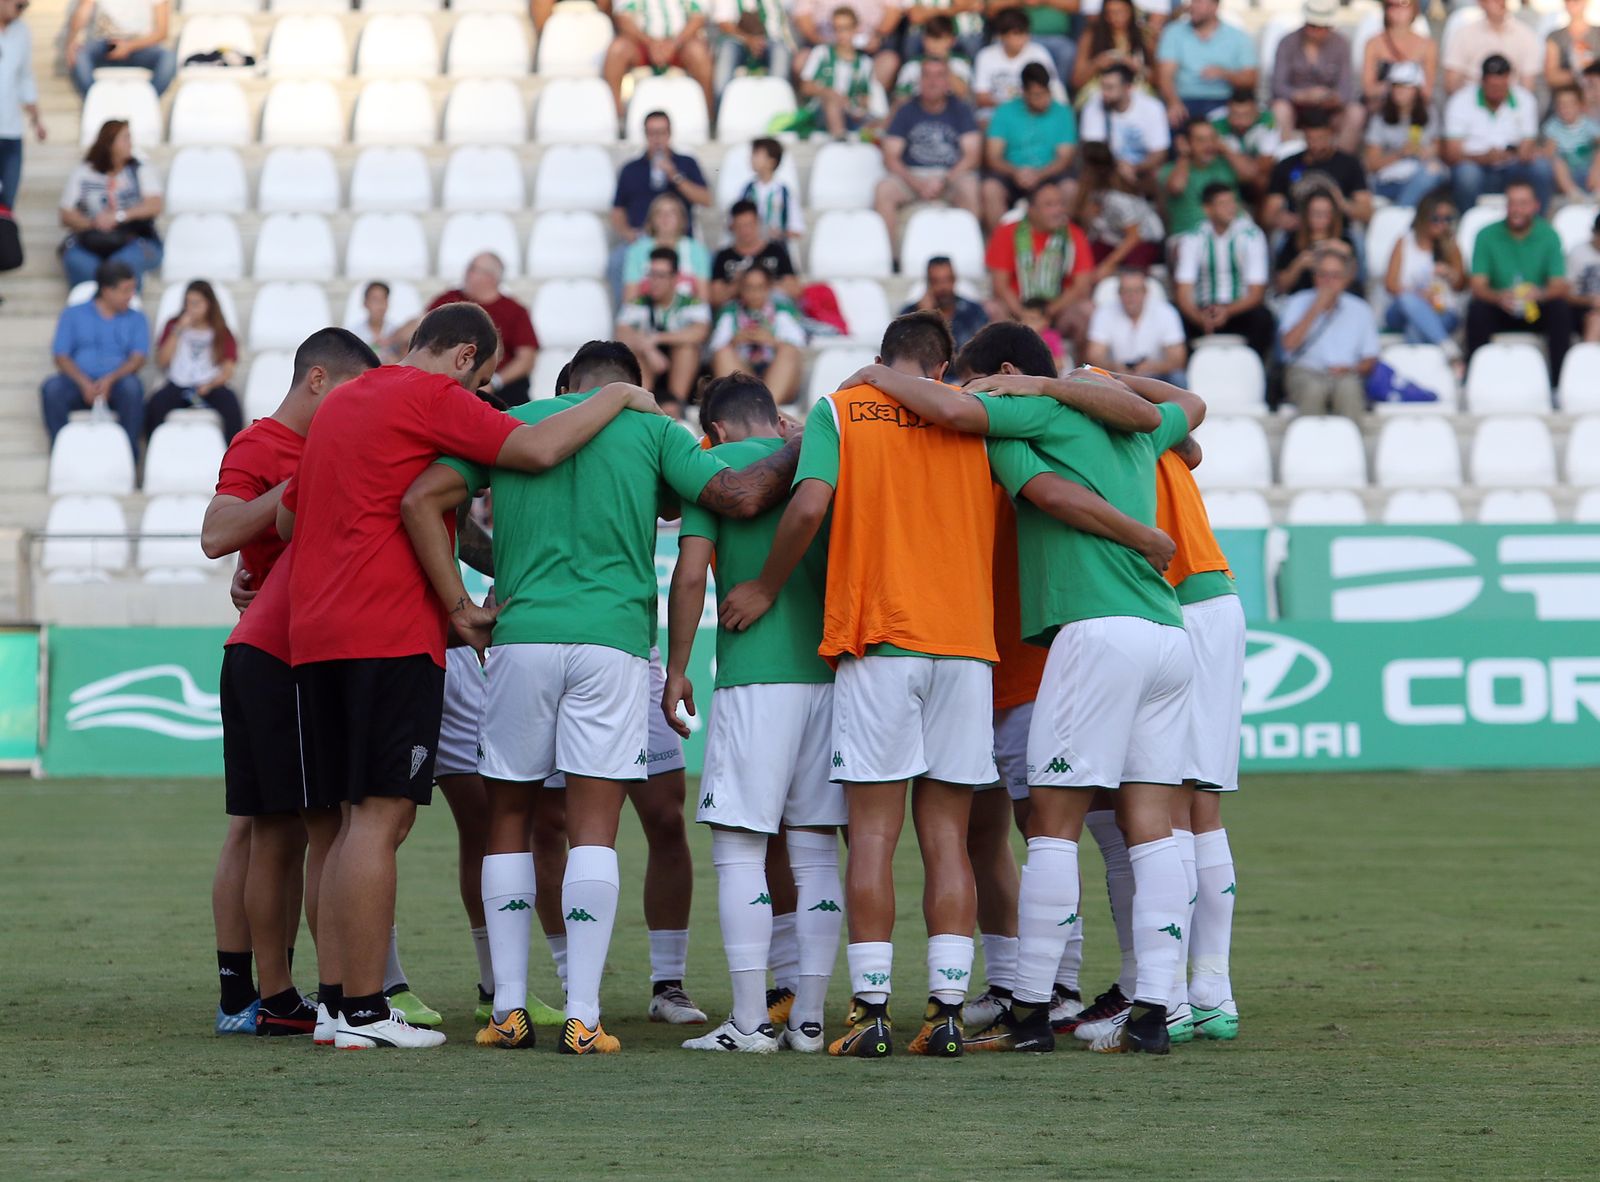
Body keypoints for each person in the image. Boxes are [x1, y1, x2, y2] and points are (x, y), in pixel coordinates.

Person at [281, 307, 669, 1052]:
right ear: (464, 358)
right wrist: (619, 396)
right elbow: (534, 446)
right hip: (384, 633)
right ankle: (367, 1011)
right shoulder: (431, 397)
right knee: (381, 817)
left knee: (335, 821)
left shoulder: (342, 403)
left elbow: (294, 517)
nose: (484, 393)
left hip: (315, 632)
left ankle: (335, 1004)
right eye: (485, 379)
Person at [400, 338, 800, 1055]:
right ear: (635, 388)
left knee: (510, 817)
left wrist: (460, 602)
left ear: (564, 387)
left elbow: (424, 499)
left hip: (518, 636)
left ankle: (510, 1011)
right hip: (613, 642)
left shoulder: (513, 422)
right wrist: (809, 441)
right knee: (594, 826)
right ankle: (584, 1016)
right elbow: (731, 497)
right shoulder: (650, 429)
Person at [830, 342, 1203, 1057]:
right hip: (1166, 633)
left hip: (1096, 631)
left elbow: (953, 413)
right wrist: (1101, 381)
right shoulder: (1134, 429)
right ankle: (1155, 1009)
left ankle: (1032, 1011)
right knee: (1152, 826)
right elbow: (1189, 406)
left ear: (1004, 374)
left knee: (1053, 829)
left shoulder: (1031, 415)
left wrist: (883, 374)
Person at [714, 314, 1001, 1060]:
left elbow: (807, 504)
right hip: (965, 643)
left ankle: (870, 1012)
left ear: (880, 359)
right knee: (948, 838)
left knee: (872, 834)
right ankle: (944, 1014)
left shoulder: (841, 408)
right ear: (944, 366)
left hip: (881, 640)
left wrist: (769, 586)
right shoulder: (977, 418)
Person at [202, 329, 382, 1039]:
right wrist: (293, 494)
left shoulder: (317, 444)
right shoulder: (264, 445)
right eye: (349, 391)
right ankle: (297, 995)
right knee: (304, 827)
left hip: (268, 644)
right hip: (279, 652)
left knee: (260, 826)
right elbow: (218, 532)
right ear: (316, 379)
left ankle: (248, 994)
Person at [664, 374, 844, 1053]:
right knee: (816, 851)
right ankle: (809, 1021)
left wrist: (678, 667)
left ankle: (747, 1023)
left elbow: (689, 574)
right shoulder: (821, 455)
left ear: (715, 431)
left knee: (740, 848)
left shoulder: (710, 469)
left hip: (753, 678)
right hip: (827, 677)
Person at [1154, 442, 1245, 1044]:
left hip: (1174, 600)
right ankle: (1213, 988)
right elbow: (1193, 444)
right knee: (1201, 803)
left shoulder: (1065, 413)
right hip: (1217, 593)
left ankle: (1173, 1000)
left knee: (1167, 803)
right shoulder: (1126, 401)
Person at [1465, 180, 1573, 389]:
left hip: (1535, 308)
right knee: (1477, 310)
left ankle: (1559, 384)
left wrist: (1539, 294)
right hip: (1500, 307)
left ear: (1536, 206)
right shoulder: (1486, 235)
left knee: (1559, 310)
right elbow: (1478, 285)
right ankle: (1474, 379)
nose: (1517, 209)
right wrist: (1499, 297)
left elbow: (1559, 285)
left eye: (1523, 203)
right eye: (1512, 203)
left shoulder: (1549, 235)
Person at [40, 259, 146, 455]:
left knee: (132, 388)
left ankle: (130, 456)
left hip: (117, 384)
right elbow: (61, 355)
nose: (131, 296)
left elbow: (138, 358)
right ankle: (60, 452)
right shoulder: (73, 314)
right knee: (52, 388)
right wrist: (84, 383)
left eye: (133, 290)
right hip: (78, 383)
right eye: (125, 290)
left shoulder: (136, 318)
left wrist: (110, 380)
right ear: (107, 290)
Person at [873, 58, 983, 243]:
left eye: (939, 76)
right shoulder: (905, 110)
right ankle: (890, 260)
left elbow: (972, 156)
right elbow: (891, 157)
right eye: (927, 75)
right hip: (913, 174)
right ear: (919, 81)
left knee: (970, 189)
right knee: (884, 190)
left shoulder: (961, 110)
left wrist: (945, 181)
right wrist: (916, 183)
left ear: (948, 81)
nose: (932, 82)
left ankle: (970, 252)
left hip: (951, 174)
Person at [611, 111, 713, 302]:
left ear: (670, 133)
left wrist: (675, 175)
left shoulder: (686, 163)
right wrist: (627, 232)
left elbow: (706, 199)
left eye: (661, 132)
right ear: (645, 134)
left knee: (709, 259)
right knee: (618, 260)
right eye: (652, 133)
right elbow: (617, 209)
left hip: (680, 239)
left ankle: (701, 323)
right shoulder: (631, 169)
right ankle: (626, 320)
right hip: (642, 240)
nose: (657, 139)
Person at [1173, 182, 1275, 363]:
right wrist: (1198, 317)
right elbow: (1183, 292)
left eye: (1232, 202)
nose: (1230, 208)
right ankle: (1186, 378)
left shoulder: (1251, 235)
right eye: (1223, 204)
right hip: (1203, 309)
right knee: (1174, 317)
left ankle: (1256, 371)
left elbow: (1257, 292)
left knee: (1263, 318)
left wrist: (1227, 311)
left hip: (1239, 310)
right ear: (1207, 209)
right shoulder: (1193, 237)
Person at [58, 119, 163, 289]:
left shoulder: (140, 170)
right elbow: (66, 214)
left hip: (135, 238)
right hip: (93, 239)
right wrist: (94, 223)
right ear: (109, 143)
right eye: (125, 138)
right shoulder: (84, 172)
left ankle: (126, 310)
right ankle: (90, 310)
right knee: (79, 261)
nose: (131, 143)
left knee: (120, 267)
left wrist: (119, 216)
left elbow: (155, 204)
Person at [1277, 243, 1380, 419]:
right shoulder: (1297, 302)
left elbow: (1370, 360)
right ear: (1314, 276)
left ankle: (1351, 444)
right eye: (1322, 275)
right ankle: (1308, 445)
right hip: (1305, 371)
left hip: (1346, 373)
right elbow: (1288, 345)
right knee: (1313, 390)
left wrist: (1350, 368)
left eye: (1335, 276)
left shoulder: (1360, 309)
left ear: (1346, 278)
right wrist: (1316, 308)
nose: (1328, 281)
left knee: (1348, 389)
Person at [420, 254, 538, 405]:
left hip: (500, 391)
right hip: (448, 385)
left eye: (473, 269)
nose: (466, 273)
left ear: (491, 277)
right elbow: (421, 329)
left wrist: (494, 382)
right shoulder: (449, 299)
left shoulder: (514, 311)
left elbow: (526, 358)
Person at [1441, 55, 1552, 213]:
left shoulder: (1525, 99)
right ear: (1482, 81)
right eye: (1492, 86)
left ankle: (1538, 224)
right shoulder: (1460, 100)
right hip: (1475, 166)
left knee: (1541, 167)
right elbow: (1451, 153)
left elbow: (1527, 145)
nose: (1497, 92)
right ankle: (1467, 223)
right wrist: (1484, 157)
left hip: (1512, 166)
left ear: (1509, 80)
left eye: (1502, 86)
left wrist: (1516, 153)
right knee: (1466, 174)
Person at [985, 181, 1093, 336]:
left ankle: (1083, 360)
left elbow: (1081, 286)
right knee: (992, 309)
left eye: (1060, 204)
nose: (1058, 211)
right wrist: (1024, 315)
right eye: (1049, 205)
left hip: (1059, 311)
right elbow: (1000, 286)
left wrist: (1048, 312)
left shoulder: (1074, 234)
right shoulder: (1007, 232)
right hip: (1016, 309)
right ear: (1031, 210)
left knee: (1086, 310)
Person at [981, 61, 1077, 231]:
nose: (1043, 100)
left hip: (1048, 174)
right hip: (1012, 174)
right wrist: (1016, 172)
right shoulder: (1005, 111)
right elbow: (993, 157)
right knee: (990, 188)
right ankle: (1001, 243)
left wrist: (1039, 174)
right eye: (1036, 95)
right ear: (1024, 93)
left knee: (1070, 188)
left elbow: (1064, 158)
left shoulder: (1062, 112)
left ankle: (1060, 241)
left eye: (1046, 93)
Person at [146, 278, 242, 443]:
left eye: (196, 303)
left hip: (210, 386)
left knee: (231, 406)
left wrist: (210, 385)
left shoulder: (221, 331)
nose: (191, 309)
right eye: (188, 303)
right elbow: (162, 361)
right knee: (155, 405)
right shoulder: (173, 325)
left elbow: (228, 369)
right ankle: (153, 448)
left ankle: (233, 454)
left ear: (209, 304)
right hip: (178, 384)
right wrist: (178, 331)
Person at [618, 246, 712, 412]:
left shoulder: (691, 303)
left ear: (675, 278)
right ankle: (641, 407)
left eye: (660, 275)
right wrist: (648, 348)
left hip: (685, 373)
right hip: (650, 367)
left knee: (686, 349)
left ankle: (677, 406)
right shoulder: (638, 303)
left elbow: (701, 332)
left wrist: (657, 338)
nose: (654, 281)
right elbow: (621, 333)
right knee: (637, 352)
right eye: (651, 274)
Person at [1264, 107, 1371, 238]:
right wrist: (1283, 219)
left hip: (1339, 233)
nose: (1316, 145)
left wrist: (1341, 203)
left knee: (1357, 236)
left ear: (1331, 134)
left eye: (1321, 138)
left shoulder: (1350, 165)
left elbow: (1366, 212)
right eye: (1310, 139)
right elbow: (1268, 215)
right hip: (1298, 234)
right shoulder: (1287, 165)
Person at [1270, 0, 1362, 153]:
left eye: (1321, 27)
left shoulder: (1341, 43)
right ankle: (1286, 160)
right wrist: (1302, 96)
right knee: (1280, 108)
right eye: (1312, 25)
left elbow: (1347, 89)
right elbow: (1277, 86)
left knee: (1356, 112)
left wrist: (1331, 98)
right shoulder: (1287, 42)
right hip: (1296, 109)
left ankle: (1341, 164)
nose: (1316, 31)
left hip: (1329, 111)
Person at [1383, 189, 1466, 353]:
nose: (1442, 224)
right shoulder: (1404, 242)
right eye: (1436, 218)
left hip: (1441, 310)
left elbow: (1461, 286)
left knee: (1416, 327)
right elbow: (1391, 285)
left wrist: (1450, 274)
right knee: (1408, 299)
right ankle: (1446, 345)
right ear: (1423, 217)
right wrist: (1419, 295)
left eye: (1447, 219)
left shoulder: (1451, 245)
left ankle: (1416, 374)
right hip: (1402, 310)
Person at [709, 265, 806, 404]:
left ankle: (769, 408)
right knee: (723, 353)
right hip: (744, 371)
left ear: (769, 288)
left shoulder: (782, 311)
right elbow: (716, 347)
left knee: (788, 350)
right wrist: (735, 341)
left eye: (760, 287)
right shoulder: (730, 312)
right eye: (749, 288)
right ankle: (753, 407)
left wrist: (772, 341)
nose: (754, 293)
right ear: (741, 289)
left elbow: (799, 344)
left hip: (777, 375)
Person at [604, 0, 715, 117]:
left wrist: (673, 44)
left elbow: (698, 17)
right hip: (642, 43)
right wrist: (651, 44)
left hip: (681, 44)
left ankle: (707, 117)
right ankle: (616, 117)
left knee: (698, 52)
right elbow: (623, 18)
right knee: (617, 50)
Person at [1155, 0, 1255, 125]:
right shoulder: (1173, 32)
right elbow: (1165, 76)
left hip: (1223, 101)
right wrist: (1173, 103)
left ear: (1215, 6)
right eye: (1192, 2)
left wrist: (1225, 74)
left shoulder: (1238, 37)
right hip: (1184, 100)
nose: (1192, 6)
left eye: (1199, 2)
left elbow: (1250, 79)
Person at [1079, 62, 1171, 199]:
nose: (1104, 93)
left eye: (1110, 88)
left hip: (1143, 170)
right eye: (1102, 87)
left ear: (1128, 87)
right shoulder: (1092, 106)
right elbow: (1092, 151)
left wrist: (1135, 167)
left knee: (1161, 175)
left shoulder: (1152, 107)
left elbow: (1159, 153)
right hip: (1107, 170)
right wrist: (1119, 167)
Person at [1363, 62, 1448, 209]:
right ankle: (1404, 217)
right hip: (1390, 180)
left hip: (1421, 175)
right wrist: (1400, 153)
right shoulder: (1380, 118)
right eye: (1396, 86)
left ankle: (1401, 215)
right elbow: (1371, 163)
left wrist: (1423, 152)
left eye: (1405, 86)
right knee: (1427, 180)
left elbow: (1438, 150)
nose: (1399, 91)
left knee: (1432, 173)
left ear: (1417, 89)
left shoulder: (1430, 114)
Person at [1075, 142, 1164, 275]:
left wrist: (1108, 264)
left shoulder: (1118, 199)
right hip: (1114, 239)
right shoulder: (1096, 195)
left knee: (1131, 268)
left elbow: (1134, 236)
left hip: (1145, 242)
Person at [797, 6, 882, 141]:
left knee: (880, 121)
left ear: (856, 29)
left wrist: (857, 105)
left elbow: (867, 97)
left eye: (846, 28)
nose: (841, 34)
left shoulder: (865, 63)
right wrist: (829, 93)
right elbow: (805, 87)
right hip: (821, 113)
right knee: (832, 103)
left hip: (851, 114)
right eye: (837, 28)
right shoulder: (822, 53)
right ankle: (839, 142)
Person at [1088, 271, 1187, 384]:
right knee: (1094, 377)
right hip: (1117, 378)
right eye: (1126, 291)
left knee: (1177, 377)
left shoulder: (1166, 312)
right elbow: (1094, 356)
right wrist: (1115, 367)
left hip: (1157, 377)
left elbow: (1178, 359)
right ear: (1118, 293)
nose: (1131, 296)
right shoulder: (1104, 313)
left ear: (1146, 293)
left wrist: (1153, 367)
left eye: (1136, 291)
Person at [64, 0, 177, 97]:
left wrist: (129, 46)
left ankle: (146, 102)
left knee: (168, 58)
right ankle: (96, 102)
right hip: (105, 44)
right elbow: (83, 11)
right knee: (79, 54)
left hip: (140, 45)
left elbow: (162, 33)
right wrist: (71, 41)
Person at [622, 194, 714, 300]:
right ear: (651, 219)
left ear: (682, 219)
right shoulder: (637, 251)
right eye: (659, 213)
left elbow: (703, 299)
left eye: (672, 213)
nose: (665, 218)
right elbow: (630, 298)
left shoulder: (697, 250)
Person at [710, 199, 799, 308]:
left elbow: (795, 290)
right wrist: (741, 284)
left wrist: (762, 283)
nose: (745, 231)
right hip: (736, 314)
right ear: (732, 227)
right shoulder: (723, 256)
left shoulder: (776, 251)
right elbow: (715, 298)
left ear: (758, 223)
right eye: (740, 226)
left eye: (749, 225)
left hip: (774, 312)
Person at [974, 7, 1062, 115]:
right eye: (1016, 34)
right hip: (997, 114)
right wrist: (1012, 110)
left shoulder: (1039, 53)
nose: (1023, 39)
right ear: (1001, 36)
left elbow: (1053, 88)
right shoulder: (985, 56)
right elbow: (981, 98)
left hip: (1032, 113)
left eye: (1025, 33)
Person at [1160, 117, 1238, 237]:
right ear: (1187, 142)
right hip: (1187, 234)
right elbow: (1176, 187)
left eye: (1212, 138)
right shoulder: (1170, 170)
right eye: (1201, 140)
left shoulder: (1225, 165)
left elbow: (1251, 174)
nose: (1208, 145)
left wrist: (1225, 149)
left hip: (1230, 233)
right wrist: (1184, 156)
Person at [1443, 0, 1541, 94]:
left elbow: (1528, 86)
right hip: (1472, 100)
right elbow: (1451, 84)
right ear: (1481, 2)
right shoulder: (1464, 34)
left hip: (1511, 101)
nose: (1500, 2)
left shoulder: (1526, 35)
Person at [0, 0, 44, 208]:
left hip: (11, 131)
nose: (21, 10)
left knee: (7, 204)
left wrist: (36, 119)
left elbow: (25, 76)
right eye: (19, 5)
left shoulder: (21, 31)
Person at [1274, 188, 1357, 295]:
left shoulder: (1345, 240)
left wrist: (1344, 254)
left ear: (1334, 214)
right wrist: (1299, 264)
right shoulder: (1292, 240)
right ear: (1306, 214)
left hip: (1337, 298)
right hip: (1301, 298)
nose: (1320, 218)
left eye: (1325, 213)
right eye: (1315, 213)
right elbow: (1281, 285)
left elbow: (1354, 280)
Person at [899, 254, 988, 350]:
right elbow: (908, 355)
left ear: (954, 280)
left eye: (947, 280)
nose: (943, 287)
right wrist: (925, 318)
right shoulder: (909, 316)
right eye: (936, 281)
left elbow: (984, 351)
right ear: (928, 284)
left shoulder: (974, 312)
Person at [712, 0, 795, 99]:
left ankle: (777, 100)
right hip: (738, 41)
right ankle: (722, 102)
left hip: (771, 42)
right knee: (727, 49)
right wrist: (749, 40)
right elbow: (724, 23)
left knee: (781, 50)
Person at [1359, 0, 1434, 106]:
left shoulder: (1427, 46)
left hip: (1415, 109)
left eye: (1404, 3)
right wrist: (1395, 89)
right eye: (1391, 5)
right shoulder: (1373, 44)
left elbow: (1428, 90)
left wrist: (1407, 94)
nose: (1397, 10)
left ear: (1414, 8)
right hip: (1381, 107)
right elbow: (1368, 89)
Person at [1071, 0, 1153, 98]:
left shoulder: (1144, 35)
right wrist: (1097, 64)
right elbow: (1076, 81)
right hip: (1100, 90)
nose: (1114, 17)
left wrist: (1136, 66)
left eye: (1120, 12)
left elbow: (1158, 80)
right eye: (1109, 13)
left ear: (1131, 12)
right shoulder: (1092, 35)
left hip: (1136, 90)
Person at [893, 15, 974, 104]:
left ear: (952, 41)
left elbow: (962, 94)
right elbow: (900, 99)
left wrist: (944, 64)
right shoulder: (912, 66)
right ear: (923, 40)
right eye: (931, 38)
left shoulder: (960, 63)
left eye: (940, 39)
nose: (935, 44)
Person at [738, 138, 805, 243]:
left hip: (776, 249)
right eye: (752, 154)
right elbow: (733, 222)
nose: (752, 158)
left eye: (757, 155)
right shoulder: (747, 190)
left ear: (771, 162)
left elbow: (797, 229)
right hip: (751, 247)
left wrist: (780, 234)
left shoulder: (784, 193)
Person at [1542, 85, 1600, 201]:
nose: (1565, 109)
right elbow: (1548, 152)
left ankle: (1597, 190)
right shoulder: (1553, 126)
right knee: (1557, 161)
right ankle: (1572, 192)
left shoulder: (1589, 124)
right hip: (1568, 171)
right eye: (1561, 105)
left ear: (1580, 106)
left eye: (1570, 104)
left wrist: (1595, 169)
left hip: (1588, 168)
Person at [343, 280, 407, 364]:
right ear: (365, 303)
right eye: (375, 300)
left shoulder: (396, 332)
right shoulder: (353, 334)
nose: (380, 305)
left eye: (383, 299)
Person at [1547, 0, 1600, 90]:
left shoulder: (1597, 33)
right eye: (1567, 1)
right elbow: (1551, 76)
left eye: (1576, 1)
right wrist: (1584, 74)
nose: (1571, 4)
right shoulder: (1555, 36)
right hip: (1567, 97)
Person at [1566, 209, 1600, 343]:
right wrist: (1591, 300)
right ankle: (1589, 361)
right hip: (1581, 310)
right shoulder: (1578, 253)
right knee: (1596, 320)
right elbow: (1565, 293)